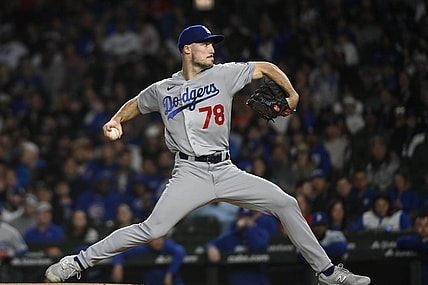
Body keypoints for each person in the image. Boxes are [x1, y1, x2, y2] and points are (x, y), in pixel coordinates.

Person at [45, 24, 371, 285]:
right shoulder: (163, 89)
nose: (212, 49)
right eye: (206, 44)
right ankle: (77, 262)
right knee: (152, 230)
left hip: (226, 169)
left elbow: (266, 67)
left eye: (212, 44)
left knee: (286, 203)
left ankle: (328, 273)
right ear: (188, 49)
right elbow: (135, 103)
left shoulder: (224, 74)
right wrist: (116, 120)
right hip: (189, 174)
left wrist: (292, 92)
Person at [205, 209, 277, 285]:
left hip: (258, 279)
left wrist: (248, 228)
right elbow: (212, 244)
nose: (244, 220)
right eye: (241, 217)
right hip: (237, 279)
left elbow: (260, 247)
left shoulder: (261, 232)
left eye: (248, 217)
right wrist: (211, 248)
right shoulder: (232, 235)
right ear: (237, 218)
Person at [111, 237, 186, 285]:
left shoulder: (166, 245)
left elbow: (180, 251)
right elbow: (119, 251)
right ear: (148, 240)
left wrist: (170, 274)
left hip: (173, 282)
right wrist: (118, 265)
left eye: (160, 238)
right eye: (155, 239)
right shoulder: (142, 248)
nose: (159, 241)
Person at [396, 215, 428, 285]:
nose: (423, 229)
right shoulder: (414, 239)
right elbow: (400, 242)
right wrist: (421, 243)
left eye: (426, 225)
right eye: (420, 225)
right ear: (415, 228)